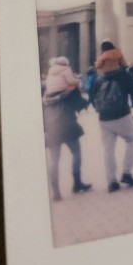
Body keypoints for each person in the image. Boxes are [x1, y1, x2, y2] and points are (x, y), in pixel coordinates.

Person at [42, 56, 92, 201]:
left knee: (54, 160)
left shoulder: (47, 94)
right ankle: (77, 183)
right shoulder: (69, 91)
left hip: (50, 127)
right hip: (67, 123)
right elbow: (80, 104)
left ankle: (56, 192)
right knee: (76, 152)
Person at [94, 41, 133, 193]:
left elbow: (92, 97)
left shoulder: (99, 79)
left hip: (104, 119)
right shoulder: (122, 75)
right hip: (122, 115)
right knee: (132, 140)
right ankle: (126, 172)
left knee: (108, 150)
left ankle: (111, 181)